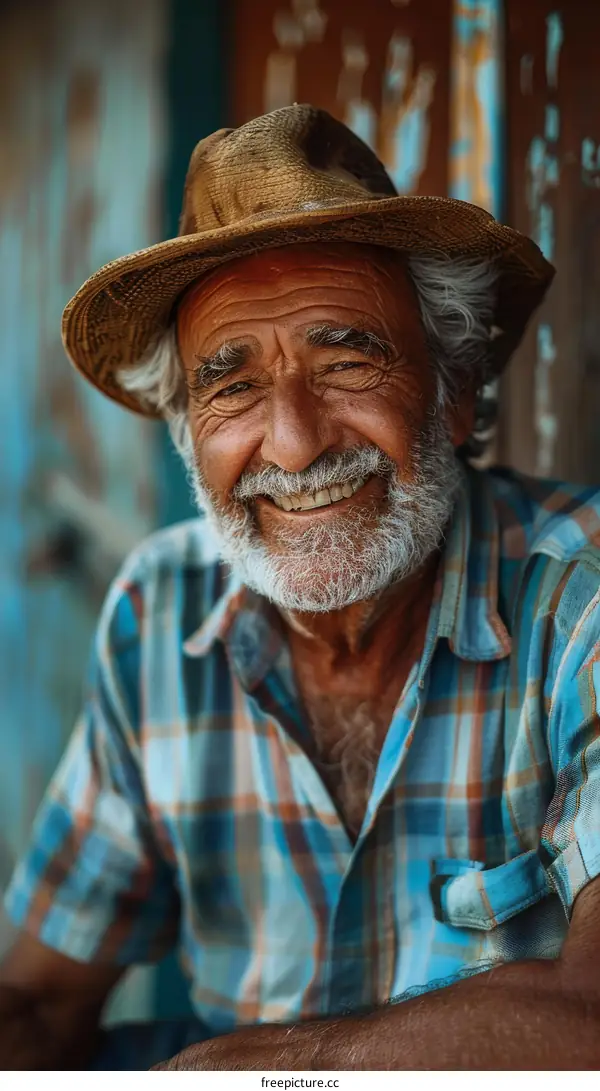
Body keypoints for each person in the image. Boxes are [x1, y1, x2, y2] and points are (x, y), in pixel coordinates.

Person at [1, 105, 599, 1072]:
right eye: (231, 385)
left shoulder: (581, 597)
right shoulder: (159, 613)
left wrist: (235, 1073)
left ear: (452, 391)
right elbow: (37, 1000)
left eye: (347, 357)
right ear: (188, 431)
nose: (293, 442)